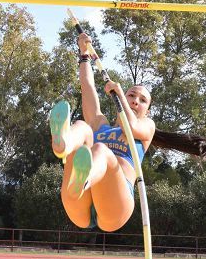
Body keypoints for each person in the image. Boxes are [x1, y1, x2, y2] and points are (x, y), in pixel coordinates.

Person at [49, 30, 156, 232]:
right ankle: (62, 144)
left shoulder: (146, 126)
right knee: (81, 126)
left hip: (115, 206)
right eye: (132, 95)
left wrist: (121, 96)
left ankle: (85, 177)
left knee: (100, 150)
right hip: (78, 203)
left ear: (147, 111)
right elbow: (87, 87)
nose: (135, 100)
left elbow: (130, 126)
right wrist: (84, 55)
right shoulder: (101, 125)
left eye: (142, 100)